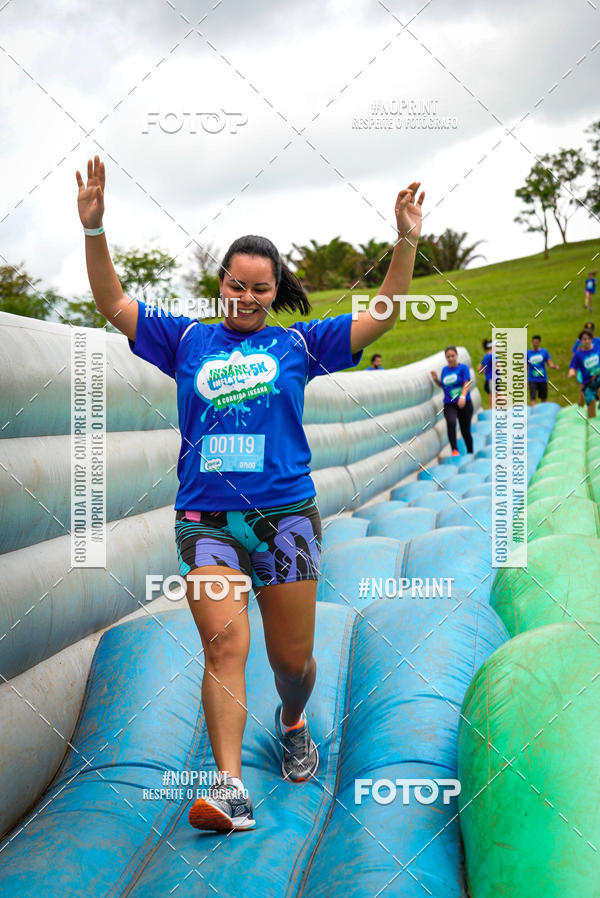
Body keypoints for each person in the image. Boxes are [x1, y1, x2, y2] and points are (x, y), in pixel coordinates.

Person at [76, 154, 425, 832]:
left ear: (273, 292)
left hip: (286, 521)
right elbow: (114, 303)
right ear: (222, 282)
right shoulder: (183, 339)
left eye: (261, 289)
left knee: (291, 663)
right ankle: (230, 788)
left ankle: (292, 720)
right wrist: (95, 229)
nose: (247, 297)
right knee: (223, 644)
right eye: (238, 284)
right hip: (206, 524)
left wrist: (405, 240)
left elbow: (381, 315)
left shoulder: (301, 343)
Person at [430, 346, 473, 455]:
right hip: (450, 403)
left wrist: (463, 397)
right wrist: (436, 380)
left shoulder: (463, 368)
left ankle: (470, 452)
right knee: (451, 422)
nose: (450, 358)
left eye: (452, 356)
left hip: (464, 403)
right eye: (448, 356)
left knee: (465, 430)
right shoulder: (445, 370)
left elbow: (466, 383)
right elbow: (444, 385)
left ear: (456, 356)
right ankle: (454, 450)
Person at [569, 329, 600, 418]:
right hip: (587, 381)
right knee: (591, 403)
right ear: (581, 341)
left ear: (591, 339)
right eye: (584, 339)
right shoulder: (578, 354)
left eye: (588, 339)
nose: (587, 341)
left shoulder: (597, 349)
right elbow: (573, 365)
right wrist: (571, 372)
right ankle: (592, 424)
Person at [526, 335, 559, 406]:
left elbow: (549, 363)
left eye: (536, 342)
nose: (535, 344)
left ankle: (543, 412)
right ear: (532, 342)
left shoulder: (544, 352)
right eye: (534, 342)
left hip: (542, 379)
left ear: (539, 342)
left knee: (543, 397)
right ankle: (534, 413)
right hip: (532, 379)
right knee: (533, 398)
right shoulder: (528, 353)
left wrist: (554, 366)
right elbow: (525, 367)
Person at [478, 339, 495, 408]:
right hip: (492, 380)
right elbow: (499, 367)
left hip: (488, 380)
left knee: (492, 399)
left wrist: (486, 372)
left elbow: (479, 369)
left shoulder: (486, 356)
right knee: (496, 398)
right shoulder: (492, 356)